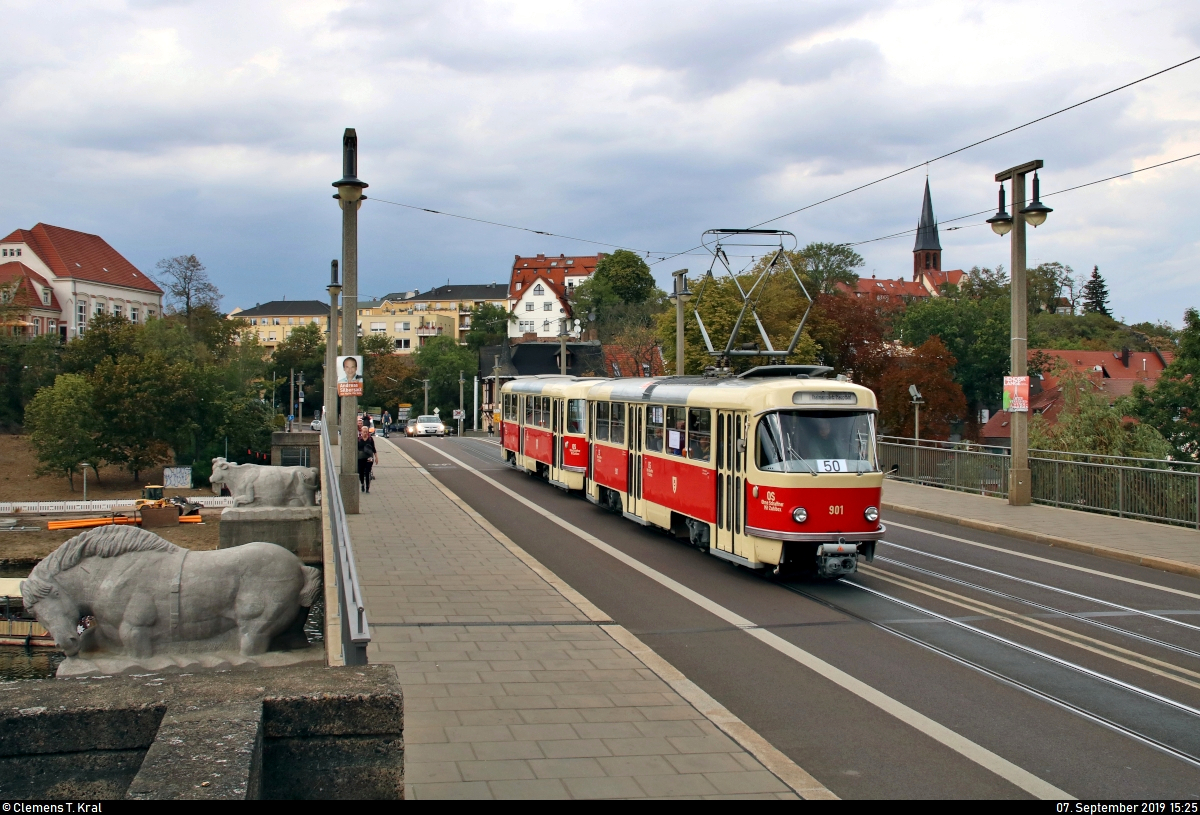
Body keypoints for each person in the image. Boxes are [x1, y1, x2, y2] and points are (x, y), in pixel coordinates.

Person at [357, 426, 377, 493]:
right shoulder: (358, 439)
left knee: (368, 472)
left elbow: (374, 449)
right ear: (361, 432)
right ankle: (362, 483)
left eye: (366, 432)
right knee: (361, 472)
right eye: (364, 432)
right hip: (360, 457)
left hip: (369, 457)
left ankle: (367, 487)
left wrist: (376, 457)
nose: (365, 433)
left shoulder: (370, 439)